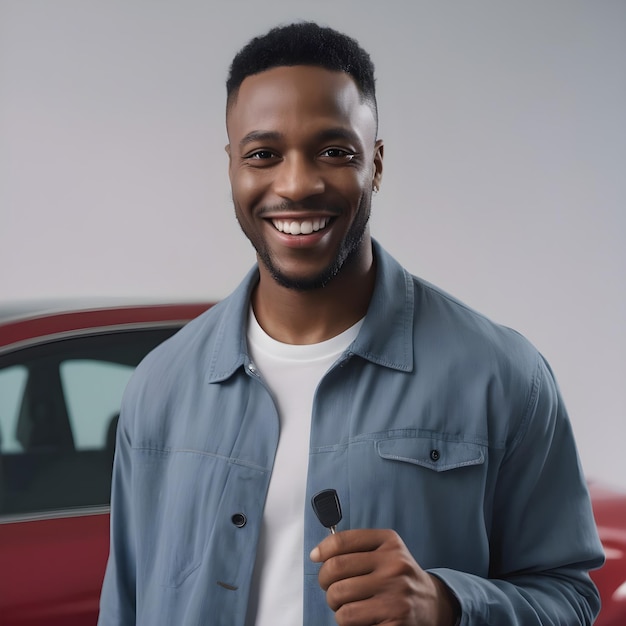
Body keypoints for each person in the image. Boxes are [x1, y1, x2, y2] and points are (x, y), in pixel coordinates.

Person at [98, 22, 604, 626]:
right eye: (263, 155)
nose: (297, 184)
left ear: (378, 164)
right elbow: (123, 606)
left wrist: (447, 605)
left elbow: (570, 600)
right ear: (232, 166)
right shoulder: (160, 386)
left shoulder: (503, 376)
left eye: (334, 152)